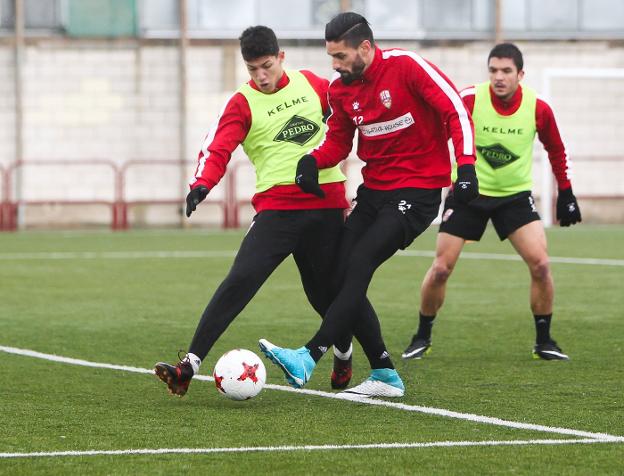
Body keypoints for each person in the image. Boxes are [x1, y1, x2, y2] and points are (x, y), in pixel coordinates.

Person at [258, 12, 477, 398]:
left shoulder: (407, 67)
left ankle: (310, 355)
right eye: (331, 57)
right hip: (374, 192)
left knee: (360, 262)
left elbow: (455, 110)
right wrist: (312, 160)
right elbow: (339, 142)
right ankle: (385, 374)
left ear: (365, 47)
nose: (335, 66)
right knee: (337, 273)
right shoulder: (341, 91)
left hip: (418, 193)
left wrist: (467, 166)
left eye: (341, 57)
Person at [154, 25, 357, 397]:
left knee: (324, 293)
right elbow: (218, 147)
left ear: (281, 57)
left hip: (326, 205)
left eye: (267, 66)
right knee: (239, 281)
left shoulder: (313, 85)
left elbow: (348, 119)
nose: (261, 77)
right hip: (276, 211)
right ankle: (189, 367)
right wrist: (202, 184)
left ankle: (343, 354)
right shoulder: (242, 102)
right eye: (252, 70)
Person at [402, 43, 581, 362]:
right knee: (441, 268)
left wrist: (565, 192)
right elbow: (434, 134)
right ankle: (421, 336)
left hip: (514, 197)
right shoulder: (469, 98)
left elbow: (556, 149)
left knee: (541, 265)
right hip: (469, 195)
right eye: (493, 71)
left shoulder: (538, 107)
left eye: (506, 71)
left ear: (520, 74)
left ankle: (544, 341)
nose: (499, 77)